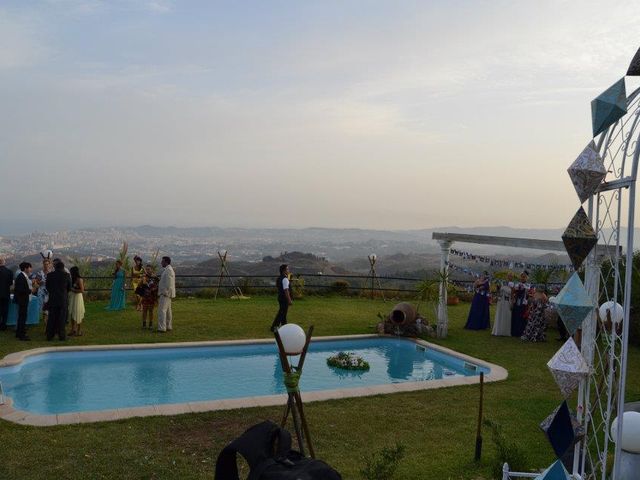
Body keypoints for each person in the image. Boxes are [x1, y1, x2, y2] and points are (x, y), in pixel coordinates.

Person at [46, 260, 71, 341]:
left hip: (53, 299)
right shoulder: (66, 275)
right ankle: (62, 336)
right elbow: (69, 288)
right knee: (62, 318)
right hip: (63, 299)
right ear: (63, 267)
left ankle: (50, 335)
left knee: (51, 318)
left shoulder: (50, 275)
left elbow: (47, 287)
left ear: (55, 267)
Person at [13, 262, 33, 340]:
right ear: (25, 268)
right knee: (22, 317)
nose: (30, 269)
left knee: (21, 317)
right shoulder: (21, 277)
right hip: (22, 300)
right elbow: (20, 290)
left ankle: (19, 333)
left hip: (22, 300)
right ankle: (22, 335)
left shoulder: (22, 276)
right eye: (29, 267)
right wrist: (29, 290)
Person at [270, 264, 292, 332]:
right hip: (284, 298)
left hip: (280, 297)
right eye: (287, 269)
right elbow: (286, 290)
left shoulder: (279, 278)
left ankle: (284, 326)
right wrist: (289, 300)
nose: (288, 270)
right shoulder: (285, 279)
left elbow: (279, 287)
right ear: (284, 271)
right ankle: (274, 327)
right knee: (281, 313)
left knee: (283, 313)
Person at [157, 256, 175, 332]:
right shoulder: (168, 270)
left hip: (165, 294)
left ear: (166, 262)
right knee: (167, 311)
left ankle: (162, 328)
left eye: (162, 261)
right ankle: (168, 326)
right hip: (166, 293)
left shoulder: (169, 270)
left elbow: (169, 283)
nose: (161, 263)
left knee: (162, 310)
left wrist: (165, 292)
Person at [511, 271, 531, 337]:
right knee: (516, 316)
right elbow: (513, 292)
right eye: (522, 277)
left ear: (526, 278)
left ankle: (521, 331)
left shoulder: (528, 285)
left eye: (524, 277)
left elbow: (529, 295)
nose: (523, 278)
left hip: (524, 303)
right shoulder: (517, 284)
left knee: (522, 317)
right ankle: (514, 331)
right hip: (517, 302)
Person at [34, 258, 53, 327]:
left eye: (47, 264)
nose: (46, 266)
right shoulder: (39, 273)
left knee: (48, 305)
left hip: (49, 291)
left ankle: (47, 320)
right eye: (45, 264)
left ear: (49, 265)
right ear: (43, 265)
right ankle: (45, 319)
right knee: (42, 306)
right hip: (42, 291)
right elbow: (36, 281)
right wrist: (39, 282)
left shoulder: (52, 273)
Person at [68, 266, 85, 336]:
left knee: (78, 313)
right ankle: (73, 329)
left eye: (71, 272)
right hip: (72, 297)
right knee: (72, 312)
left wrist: (73, 290)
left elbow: (82, 290)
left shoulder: (79, 279)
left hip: (78, 298)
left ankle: (79, 330)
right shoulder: (72, 279)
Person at [0, 258, 13, 331]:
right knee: (5, 310)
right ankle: (3, 326)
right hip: (6, 293)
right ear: (4, 263)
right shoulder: (9, 272)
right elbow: (11, 283)